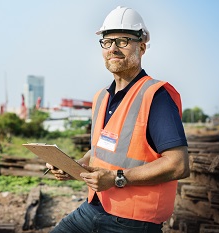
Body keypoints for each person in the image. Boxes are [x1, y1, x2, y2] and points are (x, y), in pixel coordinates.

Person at [46, 5, 190, 233]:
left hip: (132, 222)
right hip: (93, 208)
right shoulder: (101, 97)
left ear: (141, 47)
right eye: (107, 41)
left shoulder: (156, 95)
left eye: (123, 41)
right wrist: (76, 166)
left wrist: (116, 178)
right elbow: (102, 150)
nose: (113, 48)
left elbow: (179, 164)